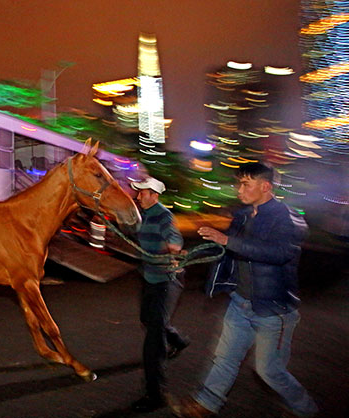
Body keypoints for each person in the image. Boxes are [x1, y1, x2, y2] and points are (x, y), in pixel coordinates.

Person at [173, 162, 318, 418]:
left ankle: (305, 409)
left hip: (273, 309)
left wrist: (228, 240)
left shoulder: (287, 218)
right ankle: (205, 405)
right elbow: (226, 249)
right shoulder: (242, 216)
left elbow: (279, 253)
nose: (239, 190)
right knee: (224, 358)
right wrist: (188, 255)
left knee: (269, 371)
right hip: (240, 302)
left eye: (245, 184)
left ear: (265, 186)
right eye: (239, 183)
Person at [129, 176, 187, 413]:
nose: (138, 195)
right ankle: (179, 340)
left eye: (142, 192)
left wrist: (172, 248)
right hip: (150, 276)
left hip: (167, 280)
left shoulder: (163, 215)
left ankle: (156, 394)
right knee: (148, 320)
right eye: (139, 192)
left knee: (153, 341)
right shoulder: (143, 215)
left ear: (154, 195)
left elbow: (174, 237)